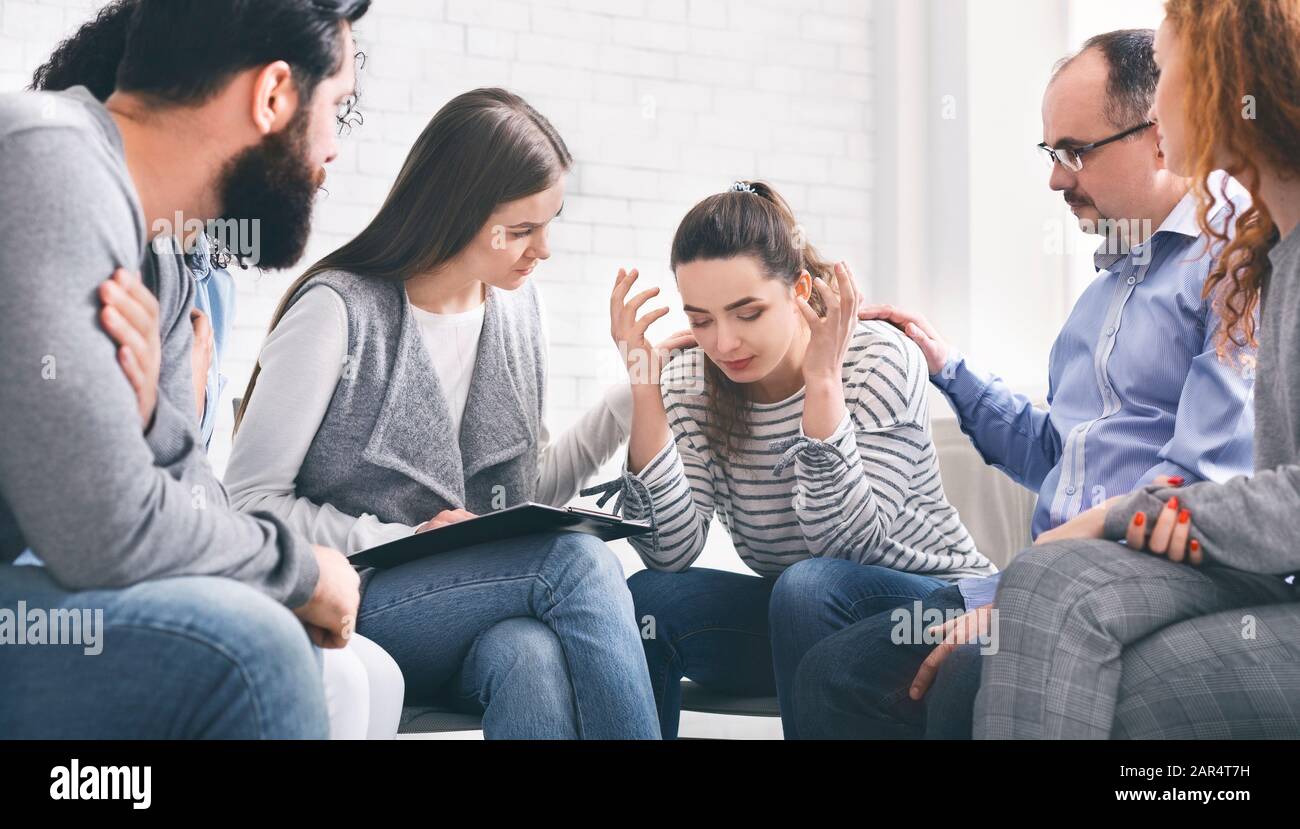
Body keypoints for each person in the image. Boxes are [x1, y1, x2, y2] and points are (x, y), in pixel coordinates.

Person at [792, 29, 1258, 739]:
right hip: (1048, 569)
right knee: (818, 614)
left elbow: (1193, 484)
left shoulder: (1228, 273)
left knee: (909, 673)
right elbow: (1054, 452)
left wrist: (1026, 593)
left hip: (1131, 573)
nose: (1056, 179)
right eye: (1052, 153)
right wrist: (946, 366)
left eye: (1076, 152)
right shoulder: (1098, 300)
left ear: (1160, 135)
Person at [227, 88, 661, 740]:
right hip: (356, 598)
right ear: (456, 212)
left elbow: (523, 495)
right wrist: (403, 538)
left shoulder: (518, 313)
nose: (542, 248)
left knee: (531, 656)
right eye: (521, 230)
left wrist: (629, 396)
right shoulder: (339, 311)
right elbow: (249, 503)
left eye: (551, 222)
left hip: (477, 608)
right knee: (580, 564)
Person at [26, 0, 403, 740]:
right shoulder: (52, 163)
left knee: (340, 659)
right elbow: (102, 533)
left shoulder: (160, 257)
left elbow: (183, 486)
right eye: (337, 107)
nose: (335, 149)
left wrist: (150, 431)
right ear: (272, 96)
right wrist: (301, 571)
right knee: (252, 648)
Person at [975, 0, 1300, 740]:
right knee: (1059, 608)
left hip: (1270, 582)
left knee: (1070, 622)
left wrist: (1121, 514)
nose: (1156, 102)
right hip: (1267, 577)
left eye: (1169, 70)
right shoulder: (1272, 253)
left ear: (1225, 78)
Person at [598, 181, 994, 739]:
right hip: (798, 614)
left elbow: (848, 546)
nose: (725, 342)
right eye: (702, 319)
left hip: (928, 608)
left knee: (808, 586)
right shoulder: (693, 381)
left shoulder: (877, 358)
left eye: (747, 312)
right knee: (650, 602)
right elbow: (669, 551)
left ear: (800, 289)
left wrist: (822, 382)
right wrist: (646, 388)